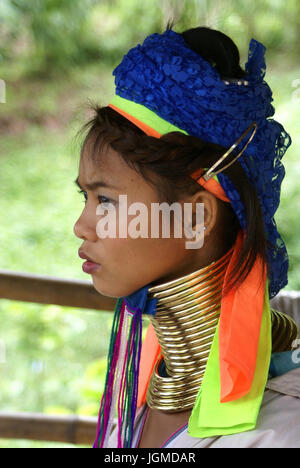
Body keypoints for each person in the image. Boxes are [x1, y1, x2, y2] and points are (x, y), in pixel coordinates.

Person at [73, 23, 300, 448]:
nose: (81, 226)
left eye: (106, 201)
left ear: (196, 218)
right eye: (84, 198)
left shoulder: (282, 430)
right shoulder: (146, 383)